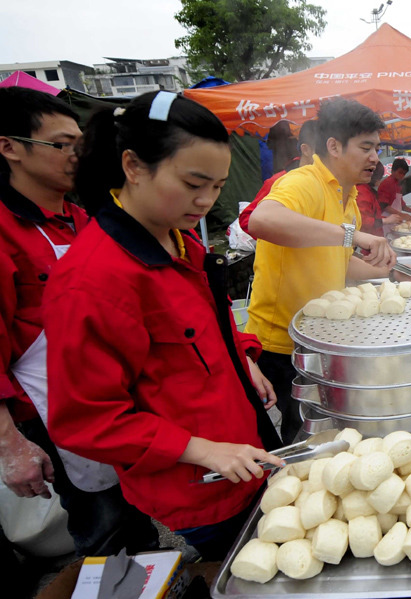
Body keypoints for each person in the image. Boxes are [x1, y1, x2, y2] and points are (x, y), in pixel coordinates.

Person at [42, 91, 286, 560]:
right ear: (133, 166)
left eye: (216, 186)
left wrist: (244, 359)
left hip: (244, 449)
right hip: (200, 484)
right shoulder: (92, 281)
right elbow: (84, 419)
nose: (206, 200)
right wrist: (199, 449)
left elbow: (206, 325)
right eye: (194, 182)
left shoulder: (180, 241)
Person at [0, 87, 161, 558]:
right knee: (101, 530)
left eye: (79, 143)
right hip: (51, 415)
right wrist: (11, 445)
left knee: (139, 515)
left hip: (114, 400)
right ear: (9, 147)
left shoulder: (82, 218)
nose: (76, 155)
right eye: (61, 144)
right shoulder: (6, 232)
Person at [245, 98, 396, 445]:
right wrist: (351, 234)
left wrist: (389, 274)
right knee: (302, 433)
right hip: (283, 345)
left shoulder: (349, 198)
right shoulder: (304, 182)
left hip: (321, 338)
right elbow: (261, 220)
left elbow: (339, 262)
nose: (375, 157)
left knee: (327, 426)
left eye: (377, 148)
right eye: (366, 147)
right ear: (334, 147)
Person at [239, 120, 315, 238]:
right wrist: (285, 235)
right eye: (324, 151)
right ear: (306, 150)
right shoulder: (279, 180)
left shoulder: (335, 180)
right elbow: (247, 220)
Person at [377, 157, 411, 223]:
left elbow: (402, 206)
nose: (402, 176)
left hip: (396, 219)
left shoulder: (398, 184)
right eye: (400, 173)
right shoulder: (386, 183)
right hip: (386, 219)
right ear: (392, 171)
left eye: (404, 174)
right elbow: (384, 206)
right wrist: (402, 215)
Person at [356, 165, 386, 237]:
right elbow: (364, 221)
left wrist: (385, 218)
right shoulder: (362, 191)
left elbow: (374, 213)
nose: (379, 181)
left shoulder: (369, 190)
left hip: (375, 236)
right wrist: (387, 220)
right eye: (379, 178)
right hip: (368, 238)